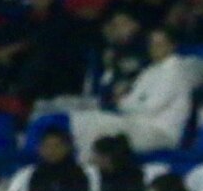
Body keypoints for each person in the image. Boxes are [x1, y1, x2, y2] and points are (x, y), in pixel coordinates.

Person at [70, 27, 193, 160]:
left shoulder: (176, 72)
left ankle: (88, 167)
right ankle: (82, 166)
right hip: (137, 124)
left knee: (103, 125)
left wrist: (123, 102)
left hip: (161, 133)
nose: (154, 48)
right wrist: (125, 102)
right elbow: (130, 99)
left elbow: (150, 107)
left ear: (172, 46)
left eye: (159, 44)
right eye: (151, 44)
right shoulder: (149, 71)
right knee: (85, 119)